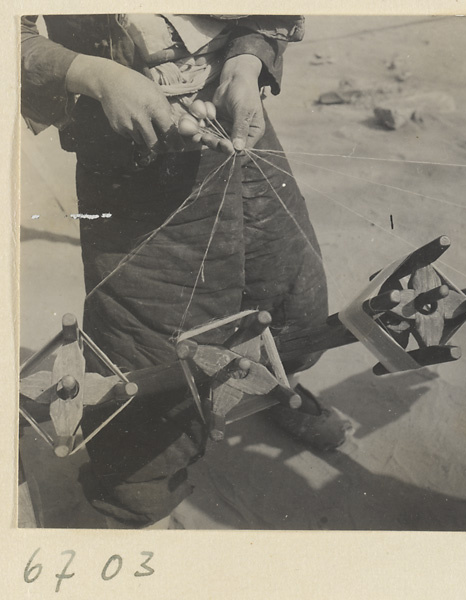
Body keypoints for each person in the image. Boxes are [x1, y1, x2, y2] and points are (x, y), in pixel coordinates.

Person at [21, 14, 349, 529]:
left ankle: (272, 390)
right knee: (150, 349)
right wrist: (99, 76)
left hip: (231, 115)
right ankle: (139, 511)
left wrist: (244, 66)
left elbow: (263, 15)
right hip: (126, 144)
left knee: (289, 293)